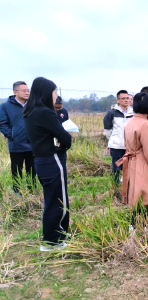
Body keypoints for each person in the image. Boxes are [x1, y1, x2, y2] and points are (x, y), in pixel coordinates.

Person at [23, 77, 72, 251]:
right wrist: (65, 141)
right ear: (46, 93)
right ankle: (53, 241)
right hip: (53, 159)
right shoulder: (45, 112)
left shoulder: (30, 112)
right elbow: (65, 137)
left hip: (40, 160)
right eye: (54, 92)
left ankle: (57, 234)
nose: (56, 95)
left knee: (51, 199)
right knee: (59, 200)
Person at [116, 93, 148, 229]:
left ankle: (134, 225)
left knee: (135, 194)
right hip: (143, 164)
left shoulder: (130, 122)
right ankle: (140, 226)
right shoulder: (145, 124)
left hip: (131, 162)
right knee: (145, 195)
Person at [0, 81, 36, 194]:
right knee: (16, 171)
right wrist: (12, 135)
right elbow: (2, 124)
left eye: (28, 91)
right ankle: (18, 194)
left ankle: (32, 192)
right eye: (24, 91)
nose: (27, 93)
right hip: (16, 145)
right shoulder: (5, 106)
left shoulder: (32, 105)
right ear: (15, 92)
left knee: (32, 171)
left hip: (32, 144)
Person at [103, 90, 134, 184]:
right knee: (116, 168)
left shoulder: (133, 113)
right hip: (116, 146)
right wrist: (114, 139)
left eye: (127, 98)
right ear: (118, 100)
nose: (126, 100)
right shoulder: (112, 113)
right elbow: (108, 130)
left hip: (130, 146)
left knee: (130, 167)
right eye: (123, 98)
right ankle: (115, 186)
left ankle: (128, 185)